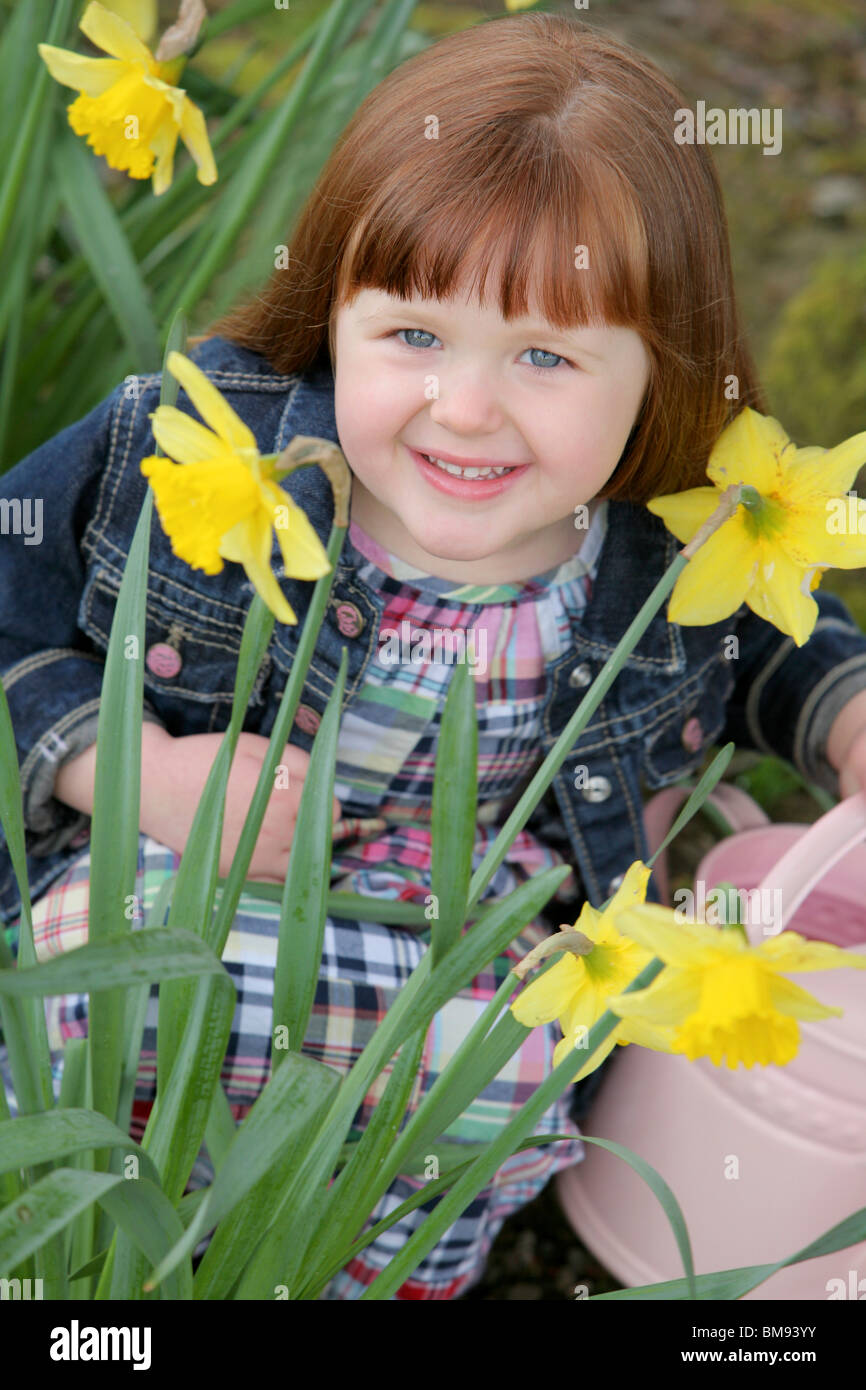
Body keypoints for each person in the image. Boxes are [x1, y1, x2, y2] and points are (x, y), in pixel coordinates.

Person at [3, 12, 866, 1300]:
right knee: (124, 982)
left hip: (471, 930)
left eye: (545, 355)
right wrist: (126, 771)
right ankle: (97, 1269)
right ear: (334, 312)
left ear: (659, 375)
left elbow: (778, 651)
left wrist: (847, 721)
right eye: (412, 334)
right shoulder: (188, 438)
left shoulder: (668, 545)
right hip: (190, 850)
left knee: (505, 1056)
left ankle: (364, 1274)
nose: (465, 408)